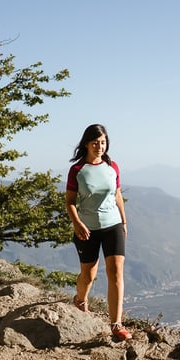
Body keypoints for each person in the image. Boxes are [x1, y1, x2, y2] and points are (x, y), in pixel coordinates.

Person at [65, 123, 132, 341]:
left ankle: (116, 324)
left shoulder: (112, 166)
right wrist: (77, 223)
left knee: (116, 272)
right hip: (87, 228)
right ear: (86, 144)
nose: (99, 147)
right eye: (95, 143)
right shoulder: (77, 170)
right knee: (88, 275)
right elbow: (70, 202)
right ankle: (80, 300)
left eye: (103, 143)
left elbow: (117, 195)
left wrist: (124, 221)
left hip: (113, 225)